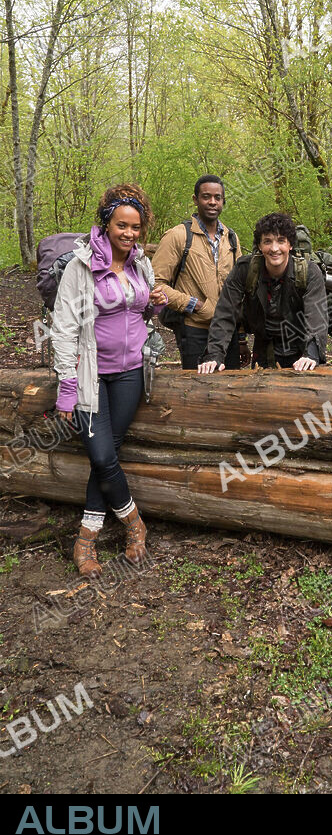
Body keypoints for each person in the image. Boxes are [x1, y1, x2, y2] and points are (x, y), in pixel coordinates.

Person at [51, 184, 168, 579]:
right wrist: (67, 388)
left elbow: (141, 315)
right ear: (106, 223)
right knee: (101, 457)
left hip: (131, 372)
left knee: (108, 456)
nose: (129, 233)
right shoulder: (81, 267)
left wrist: (154, 306)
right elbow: (63, 329)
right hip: (91, 375)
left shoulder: (140, 264)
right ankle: (133, 522)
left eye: (136, 227)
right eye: (122, 225)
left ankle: (86, 539)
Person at [198, 212, 328, 373]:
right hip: (264, 344)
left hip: (300, 345)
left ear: (290, 245)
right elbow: (225, 313)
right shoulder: (244, 269)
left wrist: (311, 355)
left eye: (281, 241)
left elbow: (316, 316)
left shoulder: (309, 272)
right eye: (267, 241)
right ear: (259, 245)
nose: (274, 248)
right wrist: (214, 356)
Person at [152, 175, 242, 369]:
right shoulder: (178, 236)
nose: (212, 202)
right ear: (195, 199)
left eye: (217, 197)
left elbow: (239, 288)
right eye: (206, 196)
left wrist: (241, 337)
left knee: (231, 385)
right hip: (194, 329)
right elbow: (156, 284)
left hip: (227, 330)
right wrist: (195, 305)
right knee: (197, 385)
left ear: (223, 201)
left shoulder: (231, 238)